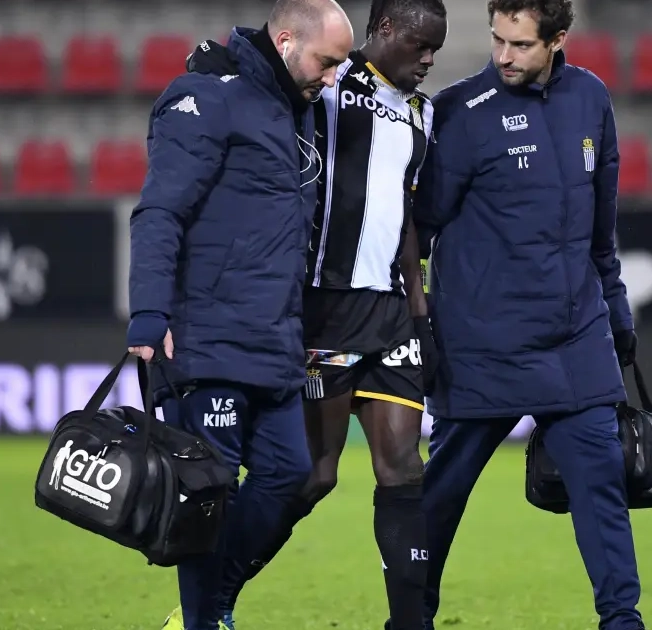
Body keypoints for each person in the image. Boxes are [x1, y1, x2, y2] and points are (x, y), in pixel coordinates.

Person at [166, 3, 446, 629]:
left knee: (404, 468)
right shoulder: (327, 85)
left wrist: (420, 312)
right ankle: (210, 601)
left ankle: (411, 623)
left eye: (437, 48)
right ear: (386, 31)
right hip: (324, 308)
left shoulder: (423, 115)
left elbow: (405, 217)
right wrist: (218, 64)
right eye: (421, 45)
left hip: (390, 313)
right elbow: (266, 70)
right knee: (314, 476)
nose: (430, 59)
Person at [392, 1, 644, 629]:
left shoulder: (591, 99)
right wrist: (415, 320)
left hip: (575, 340)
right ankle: (410, 620)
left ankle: (623, 621)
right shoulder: (459, 112)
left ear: (558, 40)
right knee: (440, 498)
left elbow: (601, 232)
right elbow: (415, 229)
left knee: (602, 489)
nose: (504, 56)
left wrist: (616, 312)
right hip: (480, 344)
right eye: (497, 40)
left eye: (521, 44)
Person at [124, 2, 354, 630]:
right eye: (326, 61)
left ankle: (211, 603)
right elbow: (160, 212)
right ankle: (204, 621)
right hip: (207, 336)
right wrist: (149, 312)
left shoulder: (297, 108)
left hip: (274, 337)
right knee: (208, 490)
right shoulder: (207, 99)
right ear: (286, 40)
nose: (333, 77)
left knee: (289, 473)